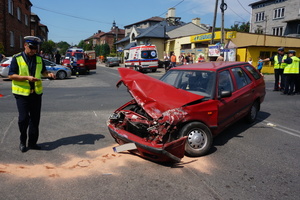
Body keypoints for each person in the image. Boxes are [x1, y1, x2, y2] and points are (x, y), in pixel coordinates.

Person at [8, 36, 56, 152]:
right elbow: (11, 75)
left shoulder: (39, 59)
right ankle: (22, 141)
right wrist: (26, 78)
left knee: (35, 119)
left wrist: (49, 74)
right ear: (25, 45)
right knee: (23, 119)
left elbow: (43, 72)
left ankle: (33, 143)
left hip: (36, 94)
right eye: (31, 47)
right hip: (22, 94)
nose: (34, 50)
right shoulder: (17, 58)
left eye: (35, 48)